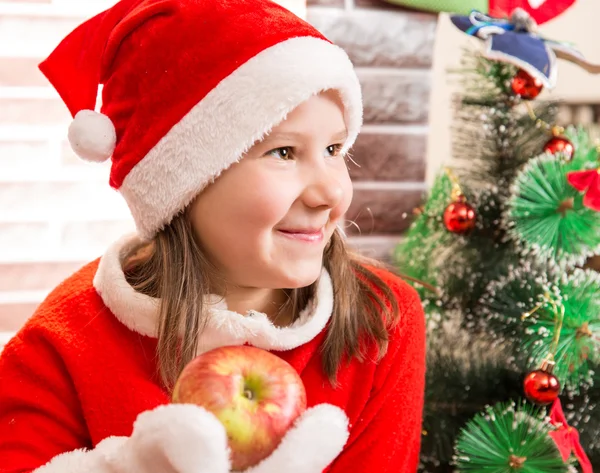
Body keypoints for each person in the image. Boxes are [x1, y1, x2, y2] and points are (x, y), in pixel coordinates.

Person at [0, 0, 426, 472]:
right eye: (284, 152)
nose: (331, 192)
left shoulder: (381, 322)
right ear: (184, 183)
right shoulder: (64, 345)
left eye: (333, 148)